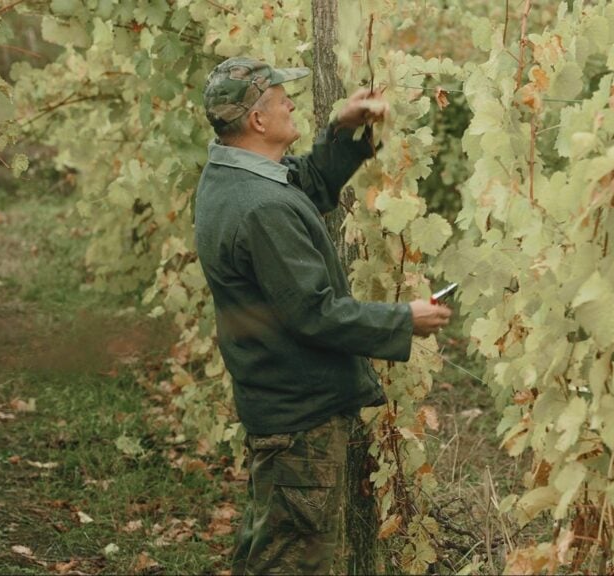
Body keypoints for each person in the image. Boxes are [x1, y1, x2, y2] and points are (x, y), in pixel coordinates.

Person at [194, 57, 452, 575]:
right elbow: (314, 314)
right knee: (291, 560)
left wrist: (344, 129)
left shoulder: (233, 177)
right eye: (280, 98)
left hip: (278, 401)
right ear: (258, 121)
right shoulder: (261, 208)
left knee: (269, 546)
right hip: (300, 415)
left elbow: (302, 183)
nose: (292, 103)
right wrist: (404, 320)